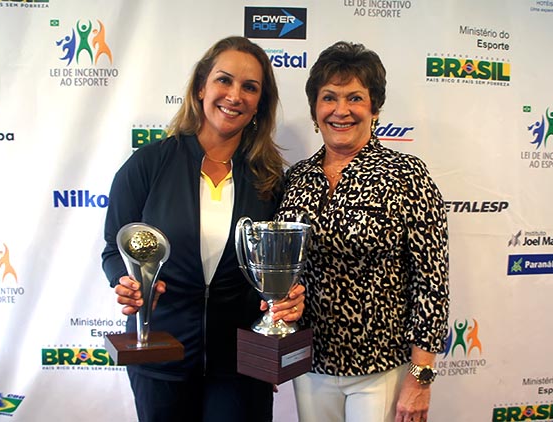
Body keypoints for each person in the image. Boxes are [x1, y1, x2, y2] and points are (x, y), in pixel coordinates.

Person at [101, 36, 305, 422]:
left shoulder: (270, 178)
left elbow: (282, 266)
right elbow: (115, 249)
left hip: (244, 363)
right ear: (201, 88)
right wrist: (125, 282)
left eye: (250, 87)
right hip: (161, 351)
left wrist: (289, 298)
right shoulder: (148, 164)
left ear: (260, 103)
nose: (235, 95)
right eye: (224, 81)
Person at [275, 41, 449, 422]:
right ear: (314, 109)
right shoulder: (295, 179)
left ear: (375, 108)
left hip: (381, 368)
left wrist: (421, 379)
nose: (341, 110)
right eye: (329, 98)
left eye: (354, 97)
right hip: (309, 364)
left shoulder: (407, 176)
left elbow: (432, 284)